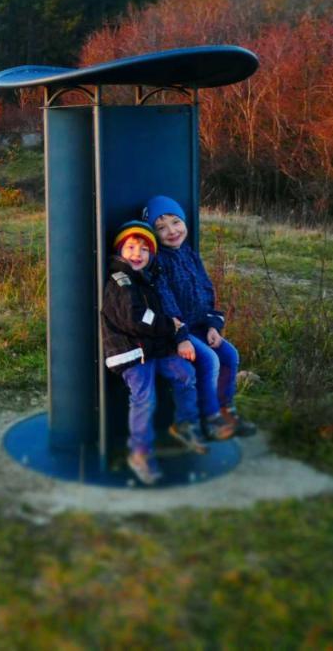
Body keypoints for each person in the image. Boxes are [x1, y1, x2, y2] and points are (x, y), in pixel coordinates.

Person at [102, 220, 209, 486]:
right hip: (130, 352)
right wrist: (168, 325)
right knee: (144, 398)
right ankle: (139, 452)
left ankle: (185, 424)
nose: (138, 254)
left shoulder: (148, 278)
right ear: (120, 250)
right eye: (131, 247)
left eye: (144, 249)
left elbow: (160, 311)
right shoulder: (121, 280)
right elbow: (135, 319)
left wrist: (176, 332)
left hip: (153, 348)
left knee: (185, 373)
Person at [143, 195, 256, 439]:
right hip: (178, 331)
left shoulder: (190, 254)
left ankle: (226, 409)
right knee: (209, 360)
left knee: (229, 355)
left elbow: (206, 291)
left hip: (199, 326)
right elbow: (166, 301)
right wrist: (181, 336)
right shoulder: (158, 262)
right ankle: (210, 418)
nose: (171, 231)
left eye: (175, 222)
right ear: (153, 233)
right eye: (161, 227)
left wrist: (213, 324)